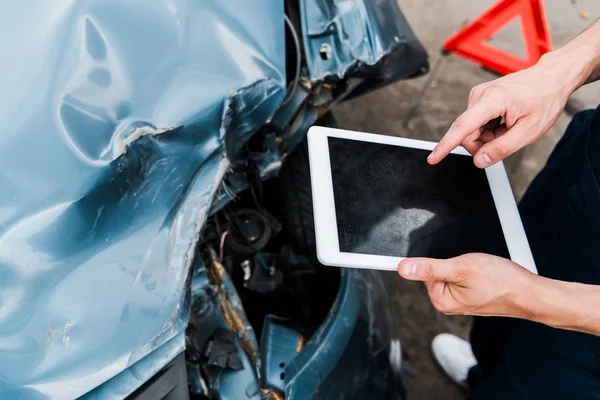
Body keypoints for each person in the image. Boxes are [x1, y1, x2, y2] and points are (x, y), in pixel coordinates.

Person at [397, 20, 600, 399]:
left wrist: (533, 298)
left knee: (532, 382)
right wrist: (558, 72)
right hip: (589, 175)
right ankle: (482, 373)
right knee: (497, 322)